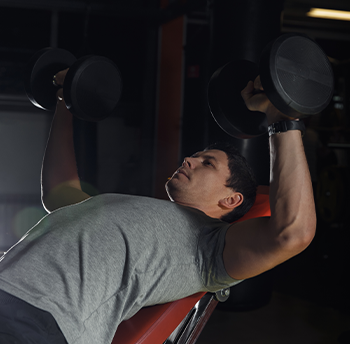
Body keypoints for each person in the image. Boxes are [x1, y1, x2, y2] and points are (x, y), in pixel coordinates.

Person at [0, 72, 316, 344]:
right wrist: (64, 102)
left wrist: (282, 118)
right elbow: (59, 192)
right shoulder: (133, 210)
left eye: (207, 163)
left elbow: (293, 234)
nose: (188, 160)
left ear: (230, 200)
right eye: (195, 156)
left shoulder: (209, 245)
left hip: (38, 321)